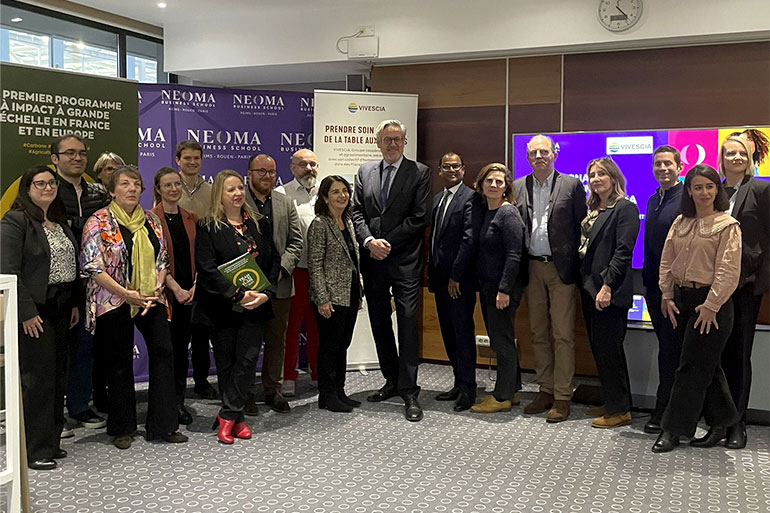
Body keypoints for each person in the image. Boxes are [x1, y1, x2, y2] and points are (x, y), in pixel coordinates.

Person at [80, 165, 186, 450]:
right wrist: (126, 293)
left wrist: (156, 287)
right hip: (113, 299)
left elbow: (162, 260)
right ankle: (122, 427)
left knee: (164, 352)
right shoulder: (98, 221)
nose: (131, 189)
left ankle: (163, 425)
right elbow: (92, 266)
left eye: (136, 184)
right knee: (118, 361)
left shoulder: (151, 220)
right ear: (113, 190)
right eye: (124, 184)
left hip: (150, 298)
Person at [651, 164, 742, 453]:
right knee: (705, 366)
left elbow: (728, 271)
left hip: (712, 305)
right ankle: (723, 422)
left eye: (710, 186)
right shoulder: (681, 222)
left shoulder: (727, 226)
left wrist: (711, 305)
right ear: (688, 191)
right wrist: (666, 295)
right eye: (698, 187)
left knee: (689, 367)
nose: (704, 192)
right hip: (682, 300)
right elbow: (667, 261)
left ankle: (673, 430)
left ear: (718, 190)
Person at [352, 119, 431, 422]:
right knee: (379, 321)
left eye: (397, 139)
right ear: (378, 142)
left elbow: (419, 217)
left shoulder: (420, 172)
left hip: (405, 261)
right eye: (387, 139)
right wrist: (370, 241)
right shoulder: (364, 172)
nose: (392, 144)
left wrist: (386, 242)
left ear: (404, 143)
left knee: (408, 322)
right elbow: (357, 211)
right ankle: (391, 380)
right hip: (373, 259)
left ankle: (410, 388)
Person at [1, 166, 79, 470]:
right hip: (35, 311)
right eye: (40, 183)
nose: (47, 188)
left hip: (61, 307)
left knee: (58, 376)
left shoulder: (58, 222)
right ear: (27, 188)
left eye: (52, 183)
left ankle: (52, 441)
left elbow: (69, 268)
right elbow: (9, 271)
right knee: (38, 381)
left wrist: (72, 304)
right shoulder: (16, 220)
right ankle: (35, 450)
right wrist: (26, 312)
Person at [193, 170, 280, 444]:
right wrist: (236, 295)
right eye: (230, 189)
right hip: (223, 307)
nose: (237, 193)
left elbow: (273, 260)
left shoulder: (259, 223)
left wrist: (266, 293)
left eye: (240, 188)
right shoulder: (207, 226)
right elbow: (206, 269)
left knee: (247, 361)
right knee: (227, 363)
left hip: (256, 305)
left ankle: (228, 415)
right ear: (219, 194)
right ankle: (238, 417)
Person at [513, 135, 586, 423]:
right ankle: (545, 388)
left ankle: (562, 395)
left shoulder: (571, 185)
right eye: (534, 153)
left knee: (563, 334)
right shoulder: (518, 186)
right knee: (537, 332)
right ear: (527, 157)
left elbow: (582, 225)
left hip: (561, 269)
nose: (539, 156)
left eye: (544, 151)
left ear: (554, 154)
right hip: (530, 267)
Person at [51, 133, 111, 435]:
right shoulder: (47, 190)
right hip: (56, 284)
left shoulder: (97, 193)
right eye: (70, 153)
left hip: (92, 284)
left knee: (84, 349)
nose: (77, 158)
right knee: (55, 352)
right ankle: (53, 414)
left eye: (82, 153)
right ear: (55, 159)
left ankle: (78, 405)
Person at [578, 157, 640, 429]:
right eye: (592, 174)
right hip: (590, 289)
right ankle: (613, 401)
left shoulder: (625, 208)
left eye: (602, 173)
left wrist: (606, 286)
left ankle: (619, 410)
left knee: (610, 351)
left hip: (608, 291)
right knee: (601, 351)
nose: (595, 178)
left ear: (614, 177)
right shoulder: (594, 208)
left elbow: (623, 252)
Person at [718, 135, 770, 449]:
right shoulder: (714, 191)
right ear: (721, 159)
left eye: (740, 153)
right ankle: (717, 421)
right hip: (714, 287)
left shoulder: (763, 189)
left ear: (748, 157)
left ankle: (737, 424)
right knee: (716, 355)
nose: (736, 158)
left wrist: (760, 281)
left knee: (739, 355)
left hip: (747, 287)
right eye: (729, 153)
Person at [465, 164, 526, 414]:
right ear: (480, 185)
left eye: (499, 182)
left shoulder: (507, 212)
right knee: (502, 339)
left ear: (506, 187)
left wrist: (504, 289)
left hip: (502, 290)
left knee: (501, 342)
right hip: (489, 287)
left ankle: (501, 397)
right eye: (489, 180)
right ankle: (513, 389)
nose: (494, 185)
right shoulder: (486, 211)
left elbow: (514, 254)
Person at [244, 154, 303, 414]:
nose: (267, 176)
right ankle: (244, 392)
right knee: (247, 342)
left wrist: (281, 269)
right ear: (249, 174)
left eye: (271, 172)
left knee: (276, 340)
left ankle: (272, 389)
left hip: (279, 285)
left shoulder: (285, 202)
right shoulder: (237, 199)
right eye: (261, 171)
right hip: (247, 286)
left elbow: (296, 241)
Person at [427, 152, 478, 412]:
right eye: (446, 166)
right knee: (448, 332)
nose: (451, 170)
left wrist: (456, 276)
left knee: (462, 332)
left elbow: (469, 240)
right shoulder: (437, 200)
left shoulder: (471, 198)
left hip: (459, 281)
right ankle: (458, 382)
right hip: (439, 278)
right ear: (439, 170)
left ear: (464, 169)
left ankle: (469, 388)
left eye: (456, 166)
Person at [307, 176, 363, 412]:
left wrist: (358, 293)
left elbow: (354, 261)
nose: (342, 196)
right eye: (335, 192)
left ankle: (339, 390)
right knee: (330, 346)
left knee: (343, 344)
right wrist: (322, 299)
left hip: (349, 293)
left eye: (345, 191)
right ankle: (327, 394)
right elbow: (315, 264)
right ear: (324, 197)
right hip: (330, 297)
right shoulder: (320, 224)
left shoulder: (347, 221)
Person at [150, 168, 199, 425]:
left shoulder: (192, 218)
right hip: (164, 297)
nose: (173, 189)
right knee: (165, 352)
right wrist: (175, 288)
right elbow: (154, 261)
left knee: (181, 351)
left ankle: (178, 401)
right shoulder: (149, 220)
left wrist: (192, 288)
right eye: (167, 185)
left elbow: (201, 256)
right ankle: (164, 403)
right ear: (158, 189)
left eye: (176, 184)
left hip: (189, 296)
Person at [641, 145, 684, 434]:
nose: (663, 168)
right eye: (658, 164)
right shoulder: (651, 199)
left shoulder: (687, 199)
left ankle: (667, 411)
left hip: (678, 290)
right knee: (667, 350)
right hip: (653, 287)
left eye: (668, 163)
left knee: (672, 351)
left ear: (679, 167)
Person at [276, 149, 321, 398]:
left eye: (313, 164)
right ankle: (289, 376)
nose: (309, 169)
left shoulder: (325, 192)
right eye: (303, 164)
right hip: (296, 270)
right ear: (292, 168)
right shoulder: (281, 194)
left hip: (321, 271)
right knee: (291, 327)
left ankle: (317, 373)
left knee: (318, 326)